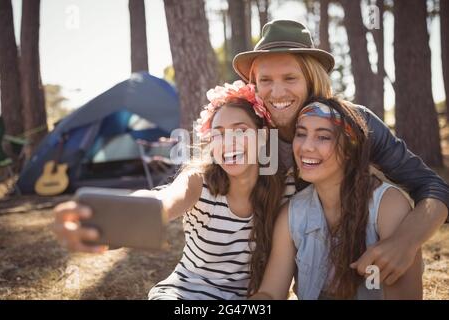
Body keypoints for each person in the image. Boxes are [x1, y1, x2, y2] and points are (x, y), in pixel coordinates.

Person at [232, 19, 449, 285]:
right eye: (265, 80)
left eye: (290, 78)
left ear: (312, 78)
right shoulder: (247, 134)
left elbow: (432, 187)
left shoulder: (357, 124)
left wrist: (404, 242)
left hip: (359, 271)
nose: (276, 92)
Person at [53, 81, 285, 299]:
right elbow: (163, 201)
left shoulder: (283, 191)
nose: (228, 142)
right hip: (183, 294)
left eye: (240, 130)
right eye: (219, 134)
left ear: (262, 137)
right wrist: (107, 222)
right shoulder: (198, 181)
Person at [250, 97, 423, 300]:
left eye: (323, 137)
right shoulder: (292, 214)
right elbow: (271, 293)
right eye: (301, 134)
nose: (306, 147)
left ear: (350, 148)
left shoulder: (388, 206)